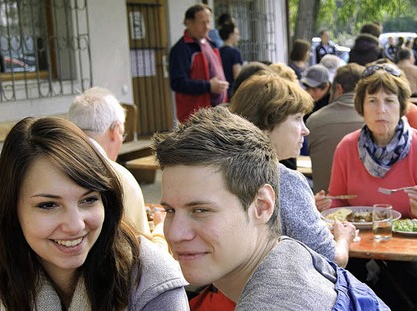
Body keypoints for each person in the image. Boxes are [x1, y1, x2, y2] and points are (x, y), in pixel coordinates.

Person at [154, 107, 389, 310]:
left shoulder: (276, 303)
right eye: (170, 211)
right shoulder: (291, 254)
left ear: (262, 206)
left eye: (200, 210)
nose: (175, 233)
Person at [0, 117, 188, 310]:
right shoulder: (7, 291)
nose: (75, 225)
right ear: (12, 209)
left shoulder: (151, 284)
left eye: (88, 200)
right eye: (48, 205)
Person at [327, 64, 417, 309]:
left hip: (411, 254)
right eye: (372, 101)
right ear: (361, 107)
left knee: (398, 289)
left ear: (402, 106)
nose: (381, 110)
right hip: (357, 250)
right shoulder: (346, 147)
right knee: (339, 287)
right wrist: (325, 204)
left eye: (389, 101)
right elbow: (339, 203)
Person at [229, 74, 355, 268]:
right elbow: (331, 260)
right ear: (267, 123)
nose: (306, 130)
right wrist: (344, 238)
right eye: (297, 119)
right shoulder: (285, 180)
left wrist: (304, 206)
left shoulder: (224, 169)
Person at [68, 87, 166, 248]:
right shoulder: (119, 178)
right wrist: (160, 229)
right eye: (123, 134)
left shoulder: (48, 168)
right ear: (116, 130)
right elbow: (144, 253)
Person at [306, 63, 365, 194]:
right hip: (366, 206)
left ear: (338, 88)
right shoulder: (372, 120)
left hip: (324, 205)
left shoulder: (314, 121)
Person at [169, 4, 228, 122]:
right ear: (188, 23)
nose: (207, 27)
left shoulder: (211, 44)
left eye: (208, 22)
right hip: (195, 116)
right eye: (202, 22)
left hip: (217, 113)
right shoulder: (181, 49)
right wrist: (209, 86)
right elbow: (178, 83)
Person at [218, 22, 244, 101]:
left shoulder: (217, 52)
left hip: (220, 92)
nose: (238, 37)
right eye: (237, 34)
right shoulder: (235, 53)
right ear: (231, 34)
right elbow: (237, 76)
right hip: (232, 93)